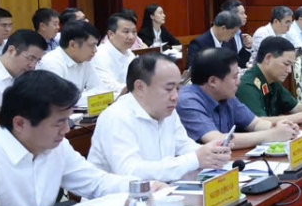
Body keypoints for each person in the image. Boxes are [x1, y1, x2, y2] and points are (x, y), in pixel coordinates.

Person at [0, 71, 137, 206]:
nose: (66, 130)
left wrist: (143, 187)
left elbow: (97, 183)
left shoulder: (56, 146)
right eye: (58, 123)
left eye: (68, 120)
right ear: (20, 123)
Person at [89, 54, 232, 183]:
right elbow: (130, 172)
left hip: (162, 192)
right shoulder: (116, 116)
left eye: (178, 88)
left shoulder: (167, 110)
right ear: (140, 88)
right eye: (169, 89)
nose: (175, 96)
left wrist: (212, 152)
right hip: (116, 201)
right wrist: (195, 159)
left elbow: (184, 146)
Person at [176, 48, 301, 148]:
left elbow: (255, 123)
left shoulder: (226, 95)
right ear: (213, 81)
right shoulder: (187, 101)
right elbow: (217, 140)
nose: (239, 82)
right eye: (235, 77)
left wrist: (281, 127)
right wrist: (272, 135)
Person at [236, 36, 302, 123]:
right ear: (268, 58)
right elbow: (258, 122)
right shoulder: (247, 85)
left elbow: (295, 107)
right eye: (286, 64)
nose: (289, 70)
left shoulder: (273, 81)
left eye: (291, 65)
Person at [39, 21, 106, 95]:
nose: (95, 50)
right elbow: (58, 98)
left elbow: (99, 89)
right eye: (92, 45)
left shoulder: (84, 60)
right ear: (73, 45)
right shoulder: (51, 63)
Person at [91, 12, 138, 91]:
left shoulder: (130, 54)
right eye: (126, 32)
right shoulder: (100, 55)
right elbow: (109, 87)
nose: (131, 37)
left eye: (134, 32)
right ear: (111, 34)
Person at [220, 0, 253, 67]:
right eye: (242, 13)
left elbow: (241, 63)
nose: (246, 16)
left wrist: (247, 47)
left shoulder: (240, 34)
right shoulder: (222, 35)